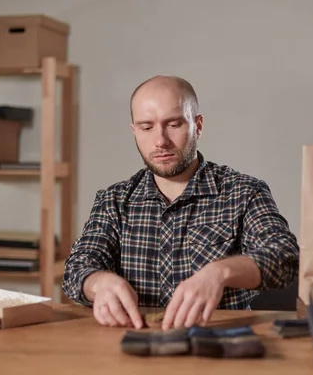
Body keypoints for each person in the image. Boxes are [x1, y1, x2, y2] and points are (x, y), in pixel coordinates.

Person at [62, 75, 299, 330]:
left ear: (197, 125)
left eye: (173, 124)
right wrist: (98, 283)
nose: (160, 140)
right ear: (134, 131)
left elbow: (284, 256)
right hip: (136, 345)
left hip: (218, 344)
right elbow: (78, 266)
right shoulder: (113, 201)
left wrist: (219, 273)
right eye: (146, 127)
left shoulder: (244, 192)